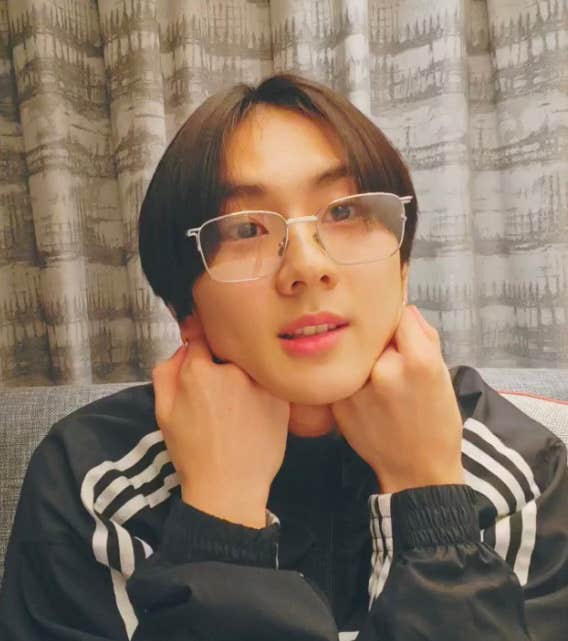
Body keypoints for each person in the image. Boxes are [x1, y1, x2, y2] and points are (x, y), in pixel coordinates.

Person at [0, 73, 566, 641]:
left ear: (402, 267)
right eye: (246, 228)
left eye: (344, 213)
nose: (307, 267)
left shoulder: (523, 474)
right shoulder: (94, 484)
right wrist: (220, 524)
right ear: (183, 308)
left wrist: (431, 501)